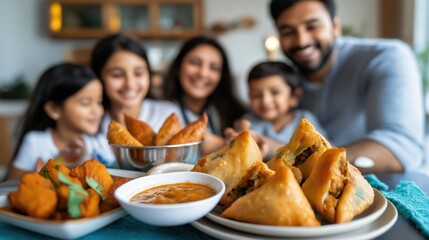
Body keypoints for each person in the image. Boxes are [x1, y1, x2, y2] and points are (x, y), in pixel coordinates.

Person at [268, 0, 424, 172]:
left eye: (312, 26)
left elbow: (402, 146)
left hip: (387, 187)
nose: (301, 40)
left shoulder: (387, 57)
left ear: (335, 26)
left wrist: (296, 157)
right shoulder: (282, 79)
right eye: (288, 32)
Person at [7, 63, 116, 179]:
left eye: (99, 102)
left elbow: (115, 175)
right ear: (54, 110)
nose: (97, 111)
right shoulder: (35, 142)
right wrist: (40, 173)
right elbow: (12, 180)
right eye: (85, 103)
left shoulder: (99, 142)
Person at [163, 36, 247, 154]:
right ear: (178, 66)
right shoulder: (160, 111)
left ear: (221, 76)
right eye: (195, 63)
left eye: (213, 68)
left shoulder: (237, 115)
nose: (203, 73)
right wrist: (230, 144)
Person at [91, 33, 181, 134]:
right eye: (117, 75)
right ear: (98, 77)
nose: (130, 84)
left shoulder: (168, 116)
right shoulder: (90, 122)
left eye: (138, 73)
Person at [243, 61, 327, 159]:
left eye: (275, 92)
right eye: (256, 95)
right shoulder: (249, 122)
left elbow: (325, 150)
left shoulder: (305, 120)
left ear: (294, 97)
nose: (265, 100)